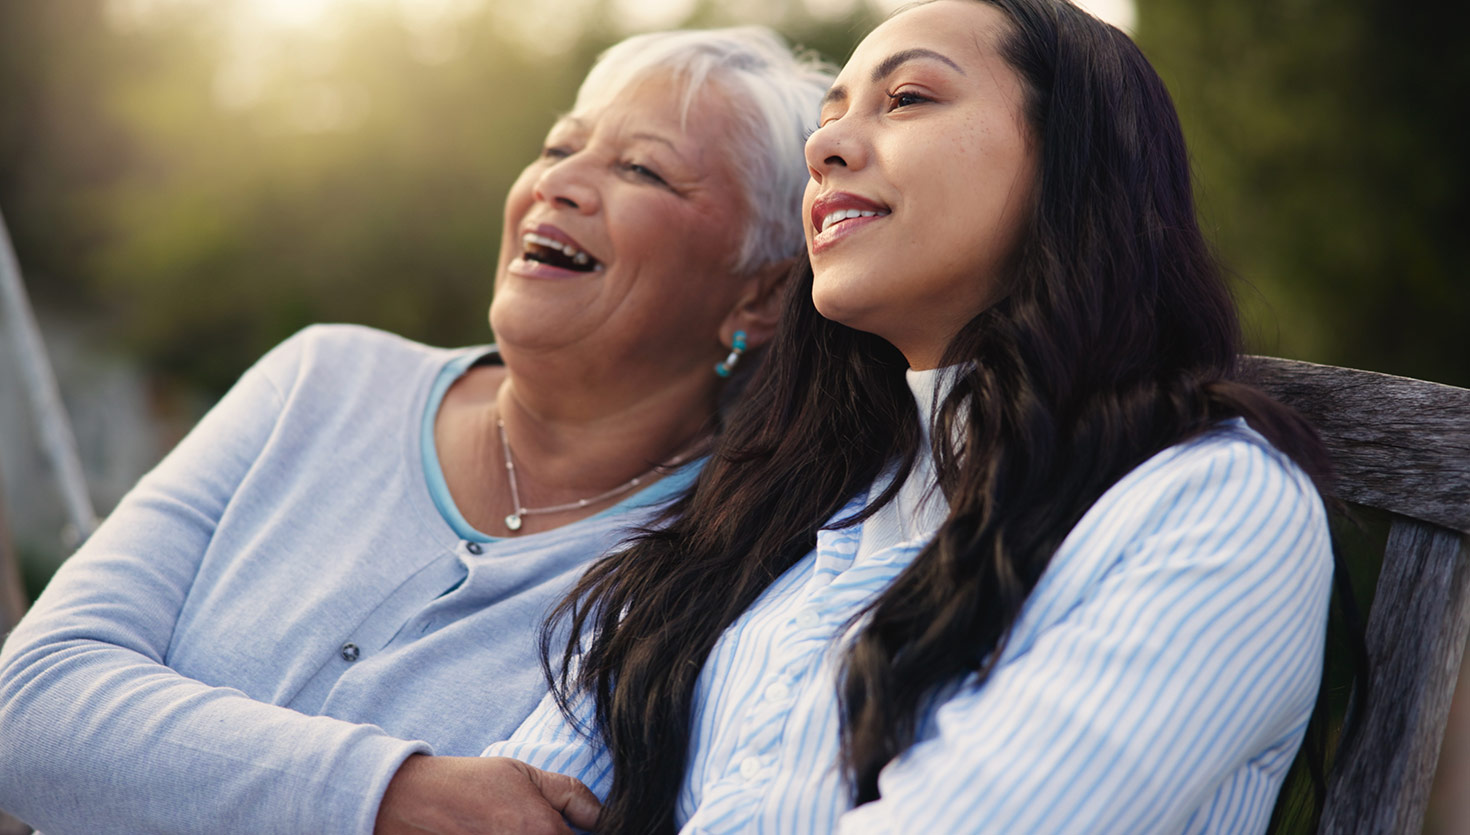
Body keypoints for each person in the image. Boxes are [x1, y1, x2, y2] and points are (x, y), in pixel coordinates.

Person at [483, 1, 1342, 833]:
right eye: (830, 115)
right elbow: (513, 805)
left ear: (1075, 158)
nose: (824, 146)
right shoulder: (779, 506)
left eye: (907, 99)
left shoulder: (1212, 505)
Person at [0, 27, 833, 835]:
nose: (562, 183)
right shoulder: (322, 380)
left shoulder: (738, 568)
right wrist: (392, 795)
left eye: (642, 169)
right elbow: (26, 704)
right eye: (556, 149)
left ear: (760, 296)